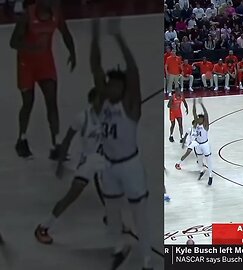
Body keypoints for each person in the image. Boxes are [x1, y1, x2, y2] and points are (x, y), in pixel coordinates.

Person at [90, 19, 152, 270]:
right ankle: (118, 248)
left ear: (123, 88)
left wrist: (118, 38)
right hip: (109, 165)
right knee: (112, 213)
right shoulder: (101, 101)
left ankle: (147, 260)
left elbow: (133, 71)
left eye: (115, 84)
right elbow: (95, 67)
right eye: (109, 84)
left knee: (140, 215)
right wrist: (94, 37)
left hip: (130, 165)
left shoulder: (130, 106)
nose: (110, 87)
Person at [34, 87, 105, 244]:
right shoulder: (82, 118)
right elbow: (66, 140)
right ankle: (43, 226)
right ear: (92, 100)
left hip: (103, 161)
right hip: (86, 162)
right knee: (71, 195)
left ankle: (116, 221)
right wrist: (60, 164)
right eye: (101, 99)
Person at [10, 0, 76, 159]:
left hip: (45, 63)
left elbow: (65, 33)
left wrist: (72, 53)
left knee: (52, 102)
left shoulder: (57, 14)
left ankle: (56, 144)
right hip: (26, 64)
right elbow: (13, 42)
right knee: (28, 102)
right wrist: (31, 47)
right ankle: (22, 139)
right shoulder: (27, 15)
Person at [176, 98, 213, 185]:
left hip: (205, 144)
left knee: (208, 159)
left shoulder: (205, 125)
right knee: (199, 160)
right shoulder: (196, 124)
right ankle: (201, 170)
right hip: (197, 143)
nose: (198, 119)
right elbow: (194, 113)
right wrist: (193, 104)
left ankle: (210, 176)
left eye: (200, 118)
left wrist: (201, 104)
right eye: (198, 118)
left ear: (203, 120)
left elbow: (206, 115)